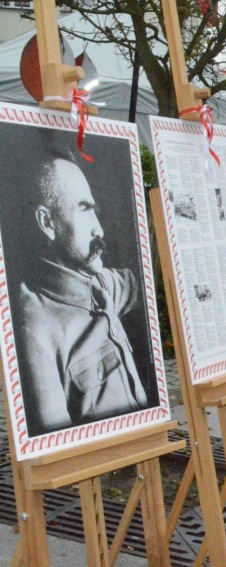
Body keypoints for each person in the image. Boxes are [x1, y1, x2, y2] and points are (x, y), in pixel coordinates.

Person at [15, 155, 149, 436]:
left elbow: (144, 282)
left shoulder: (100, 284)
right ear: (47, 223)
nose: (98, 229)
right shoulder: (34, 329)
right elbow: (55, 451)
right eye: (84, 209)